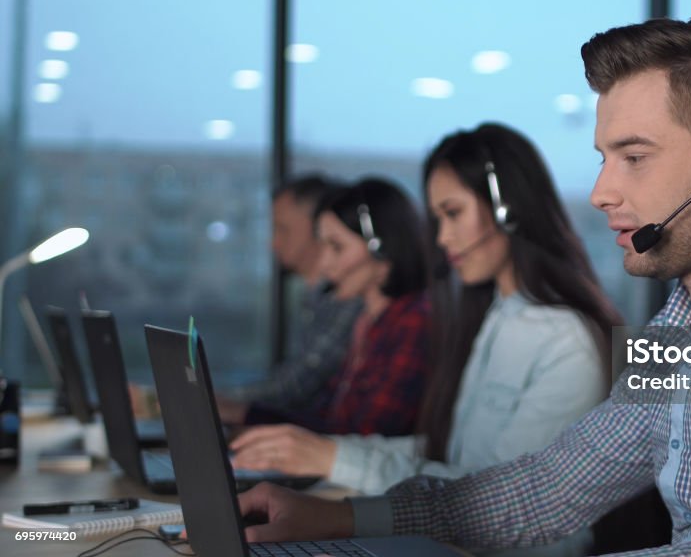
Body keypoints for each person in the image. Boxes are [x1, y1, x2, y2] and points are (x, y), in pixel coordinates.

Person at [234, 11, 691, 555]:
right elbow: (547, 490)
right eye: (601, 157)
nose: (600, 192)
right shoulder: (679, 331)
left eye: (633, 157)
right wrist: (333, 520)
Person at [231, 123, 621, 557]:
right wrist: (328, 452)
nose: (441, 238)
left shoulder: (566, 342)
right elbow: (447, 459)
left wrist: (333, 462)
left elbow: (505, 500)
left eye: (453, 214)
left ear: (507, 208)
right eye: (437, 219)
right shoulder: (495, 317)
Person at [239, 178, 431, 437]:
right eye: (323, 245)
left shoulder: (413, 323)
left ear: (382, 248)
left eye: (336, 247)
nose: (325, 264)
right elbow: (327, 417)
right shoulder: (367, 322)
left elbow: (369, 434)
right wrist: (250, 418)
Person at [217, 175, 361, 422]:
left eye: (282, 229)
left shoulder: (350, 301)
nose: (273, 243)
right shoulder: (315, 298)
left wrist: (220, 404)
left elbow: (297, 386)